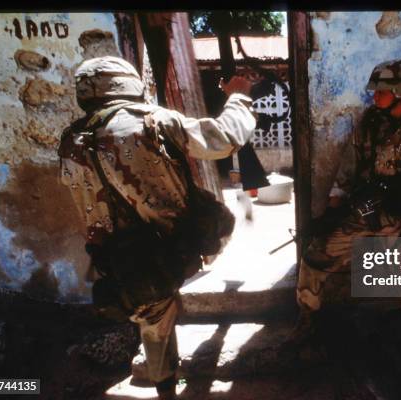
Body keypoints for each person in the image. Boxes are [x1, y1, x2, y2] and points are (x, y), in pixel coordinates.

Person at [58, 56, 256, 399]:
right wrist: (238, 96)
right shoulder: (151, 121)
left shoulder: (69, 139)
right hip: (170, 249)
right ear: (127, 83)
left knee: (155, 321)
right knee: (219, 220)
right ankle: (168, 386)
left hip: (119, 261)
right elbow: (223, 138)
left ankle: (165, 382)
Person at [294, 59, 401, 391]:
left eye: (382, 91)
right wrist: (334, 212)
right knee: (315, 256)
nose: (375, 97)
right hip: (364, 214)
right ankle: (308, 322)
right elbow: (346, 172)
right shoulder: (368, 126)